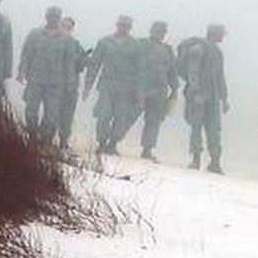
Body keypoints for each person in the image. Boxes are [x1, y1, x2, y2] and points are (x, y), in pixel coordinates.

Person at [83, 15, 142, 155]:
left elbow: (140, 69)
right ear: (117, 25)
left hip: (126, 89)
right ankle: (102, 143)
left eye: (126, 26)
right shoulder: (104, 42)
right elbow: (95, 65)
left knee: (121, 118)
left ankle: (113, 143)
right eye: (121, 25)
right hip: (107, 86)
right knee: (103, 115)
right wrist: (87, 87)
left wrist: (139, 90)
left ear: (130, 28)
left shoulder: (136, 45)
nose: (123, 28)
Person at [17, 6, 77, 144]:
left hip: (55, 84)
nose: (53, 19)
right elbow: (26, 54)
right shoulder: (35, 34)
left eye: (56, 17)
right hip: (35, 80)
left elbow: (69, 63)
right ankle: (32, 136)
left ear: (59, 19)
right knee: (31, 111)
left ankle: (46, 140)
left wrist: (70, 83)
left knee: (51, 114)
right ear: (46, 17)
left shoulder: (67, 40)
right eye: (51, 16)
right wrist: (21, 71)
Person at [182, 24, 229, 173]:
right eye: (221, 34)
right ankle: (196, 159)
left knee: (214, 129)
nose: (223, 37)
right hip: (199, 96)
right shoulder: (198, 49)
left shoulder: (218, 52)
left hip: (213, 98)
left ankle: (215, 162)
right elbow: (193, 72)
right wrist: (196, 92)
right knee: (196, 127)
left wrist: (224, 98)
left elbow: (220, 76)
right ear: (214, 34)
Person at [137, 21, 179, 162]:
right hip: (140, 87)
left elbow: (172, 70)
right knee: (127, 115)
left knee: (154, 121)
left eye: (162, 32)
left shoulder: (167, 50)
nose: (160, 34)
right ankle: (111, 142)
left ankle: (147, 149)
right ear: (151, 30)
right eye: (157, 31)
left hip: (160, 89)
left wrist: (174, 89)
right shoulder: (140, 44)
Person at [58, 16, 88, 149]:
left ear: (72, 29)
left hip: (71, 85)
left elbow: (82, 65)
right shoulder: (52, 42)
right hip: (53, 86)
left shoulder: (76, 45)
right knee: (51, 114)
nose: (65, 29)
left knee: (67, 115)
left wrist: (81, 60)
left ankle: (64, 140)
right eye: (63, 25)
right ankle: (47, 139)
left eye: (68, 27)